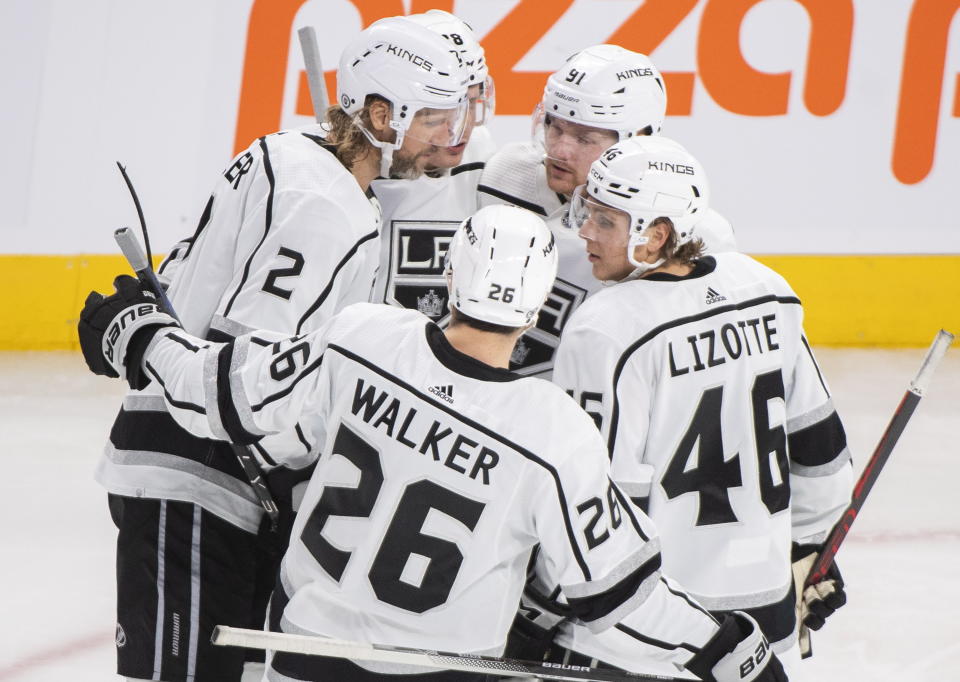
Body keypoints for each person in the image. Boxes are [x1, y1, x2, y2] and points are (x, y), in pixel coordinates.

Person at [78, 204, 787, 682]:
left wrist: (138, 335)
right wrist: (729, 647)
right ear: (539, 305)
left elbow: (221, 387)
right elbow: (619, 599)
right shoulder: (551, 429)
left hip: (297, 661)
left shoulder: (361, 339)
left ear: (452, 274)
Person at [94, 16, 470, 682]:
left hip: (198, 481)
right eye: (437, 117)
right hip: (197, 481)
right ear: (381, 115)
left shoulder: (290, 154)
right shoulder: (328, 209)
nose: (456, 133)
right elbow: (236, 374)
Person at [541, 136, 851, 676]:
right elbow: (823, 455)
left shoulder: (606, 329)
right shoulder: (768, 291)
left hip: (653, 634)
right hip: (766, 617)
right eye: (589, 214)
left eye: (605, 221)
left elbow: (600, 515)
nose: (584, 232)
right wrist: (807, 548)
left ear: (656, 235)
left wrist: (542, 614)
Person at [478, 44, 736, 378]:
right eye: (554, 126)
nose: (558, 150)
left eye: (585, 139)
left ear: (641, 137)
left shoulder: (695, 233)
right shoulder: (506, 177)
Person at [371, 9, 496, 326]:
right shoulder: (339, 177)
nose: (461, 128)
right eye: (442, 112)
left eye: (471, 103)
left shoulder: (483, 157)